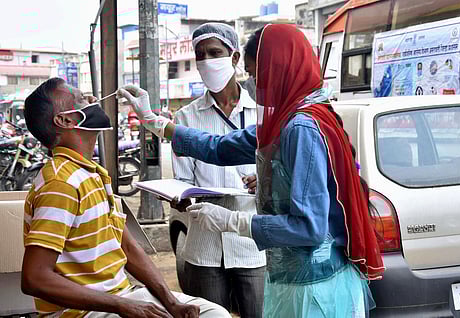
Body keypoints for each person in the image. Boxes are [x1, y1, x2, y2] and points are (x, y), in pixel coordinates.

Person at [117, 24, 385, 317]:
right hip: (294, 280)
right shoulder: (284, 122)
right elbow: (218, 147)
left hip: (315, 289)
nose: (256, 84)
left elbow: (309, 227)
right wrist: (153, 121)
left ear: (281, 70)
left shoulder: (301, 127)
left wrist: (232, 221)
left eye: (258, 75)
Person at [21, 78, 231, 318]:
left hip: (120, 296)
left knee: (215, 314)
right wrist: (121, 306)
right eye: (81, 99)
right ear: (65, 120)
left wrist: (171, 302)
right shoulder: (61, 184)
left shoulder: (91, 173)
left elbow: (128, 248)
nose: (92, 100)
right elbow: (34, 278)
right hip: (81, 312)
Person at [173, 22, 266, 317]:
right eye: (200, 55)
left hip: (251, 244)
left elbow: (279, 169)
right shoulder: (184, 118)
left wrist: (263, 181)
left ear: (235, 58)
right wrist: (181, 197)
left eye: (214, 52)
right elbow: (182, 181)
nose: (206, 61)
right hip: (204, 245)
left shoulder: (262, 113)